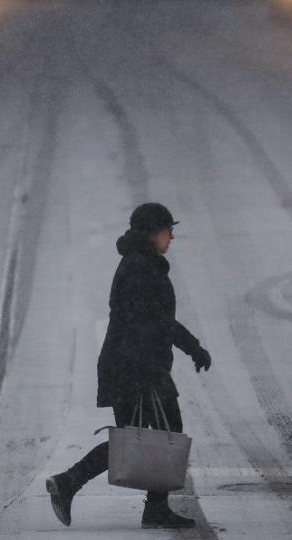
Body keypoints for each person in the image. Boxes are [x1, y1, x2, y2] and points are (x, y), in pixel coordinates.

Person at [46, 202, 212, 529]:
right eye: (168, 230)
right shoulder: (140, 268)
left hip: (130, 365)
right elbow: (153, 322)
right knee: (161, 435)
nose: (172, 237)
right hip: (135, 367)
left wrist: (188, 347)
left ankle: (75, 484)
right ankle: (76, 484)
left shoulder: (141, 264)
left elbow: (156, 321)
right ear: (152, 232)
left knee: (135, 439)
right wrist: (192, 347)